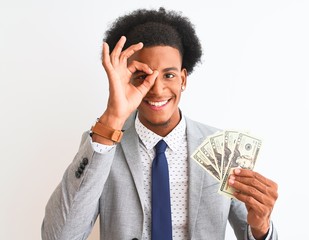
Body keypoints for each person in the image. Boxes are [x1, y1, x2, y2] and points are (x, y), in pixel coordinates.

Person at [41, 7, 279, 240]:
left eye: (169, 75)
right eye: (143, 76)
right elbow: (57, 236)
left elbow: (252, 230)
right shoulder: (104, 145)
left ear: (183, 78)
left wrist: (261, 229)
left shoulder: (223, 151)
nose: (156, 89)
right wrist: (113, 117)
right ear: (127, 79)